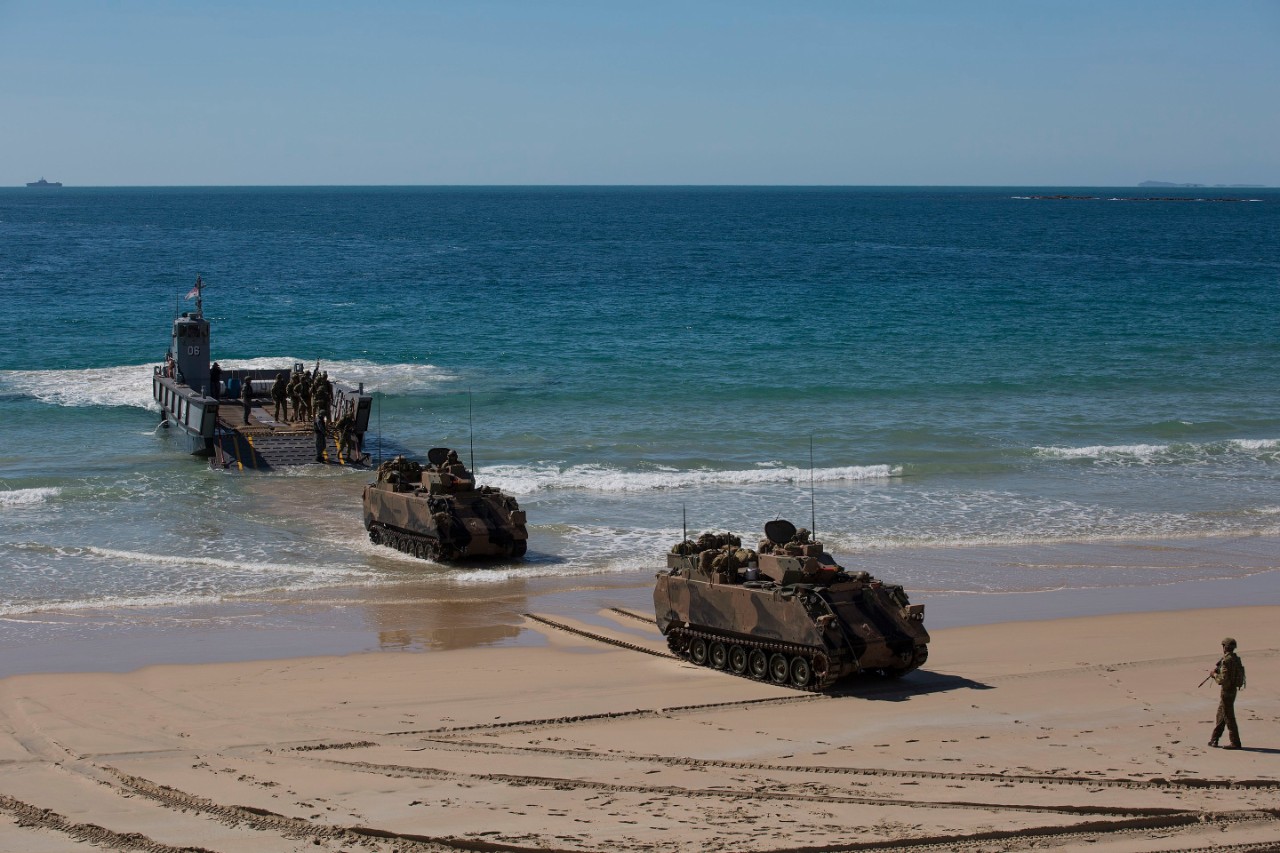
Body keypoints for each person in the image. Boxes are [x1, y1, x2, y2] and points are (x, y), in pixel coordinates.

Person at [1208, 637, 1246, 749]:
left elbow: (1222, 679)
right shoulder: (1236, 659)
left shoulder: (1226, 660)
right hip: (1233, 690)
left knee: (1229, 716)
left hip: (1227, 691)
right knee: (1221, 714)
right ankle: (1214, 739)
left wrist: (1214, 675)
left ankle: (1235, 742)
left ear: (1225, 647)